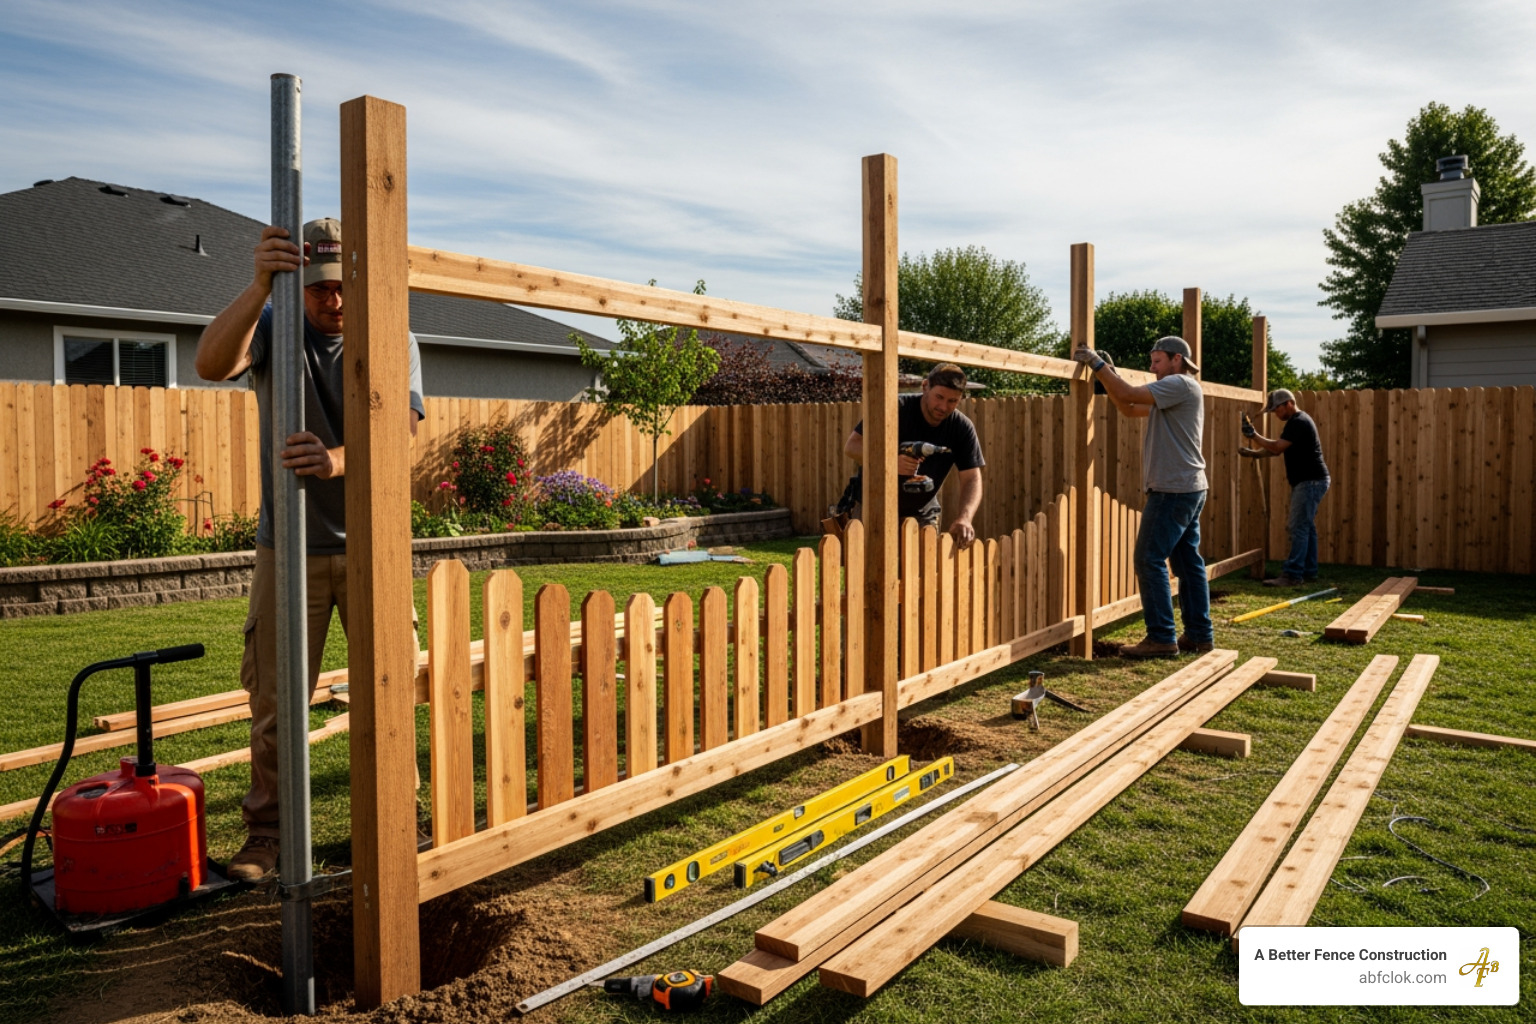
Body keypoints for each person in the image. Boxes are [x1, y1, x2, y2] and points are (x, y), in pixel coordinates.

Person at [196, 218, 425, 882]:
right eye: (320, 288)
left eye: (343, 286)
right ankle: (267, 837)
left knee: (387, 692)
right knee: (274, 700)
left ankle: (394, 822)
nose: (334, 302)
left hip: (371, 549)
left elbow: (400, 435)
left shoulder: (392, 339)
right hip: (287, 549)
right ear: (302, 282)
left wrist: (334, 459)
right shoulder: (273, 326)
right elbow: (210, 363)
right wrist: (260, 283)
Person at [1074, 336, 1212, 657]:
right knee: (1188, 565)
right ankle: (1199, 636)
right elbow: (1127, 407)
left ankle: (1162, 637)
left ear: (1177, 359)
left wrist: (1098, 364)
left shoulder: (1180, 383)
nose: (1152, 368)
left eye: (1157, 361)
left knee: (1148, 559)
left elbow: (1126, 392)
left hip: (1172, 489)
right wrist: (1104, 375)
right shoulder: (1173, 395)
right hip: (1187, 487)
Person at [843, 363, 984, 548]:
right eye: (939, 397)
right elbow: (852, 446)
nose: (943, 406)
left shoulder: (961, 427)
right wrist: (890, 462)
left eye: (952, 401)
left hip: (922, 513)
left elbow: (971, 478)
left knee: (922, 575)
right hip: (874, 507)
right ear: (925, 386)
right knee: (867, 574)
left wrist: (965, 517)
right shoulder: (895, 409)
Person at [1240, 388, 1329, 587]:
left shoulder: (1298, 422)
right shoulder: (1296, 422)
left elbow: (1277, 447)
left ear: (1289, 403)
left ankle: (1292, 574)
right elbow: (1276, 451)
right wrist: (1254, 453)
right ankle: (1309, 570)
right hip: (1312, 480)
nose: (1275, 414)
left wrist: (1253, 435)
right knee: (1306, 526)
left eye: (1276, 409)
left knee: (1298, 526)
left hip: (1310, 481)